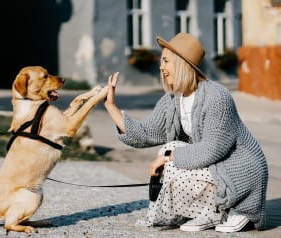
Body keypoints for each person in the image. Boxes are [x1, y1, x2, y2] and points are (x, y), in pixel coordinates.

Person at [104, 32, 268, 232]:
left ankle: (237, 209)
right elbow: (145, 133)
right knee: (170, 149)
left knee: (170, 155)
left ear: (182, 63)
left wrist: (167, 158)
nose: (161, 67)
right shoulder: (174, 99)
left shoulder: (217, 97)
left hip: (240, 171)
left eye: (166, 61)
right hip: (216, 167)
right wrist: (111, 107)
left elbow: (211, 150)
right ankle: (211, 212)